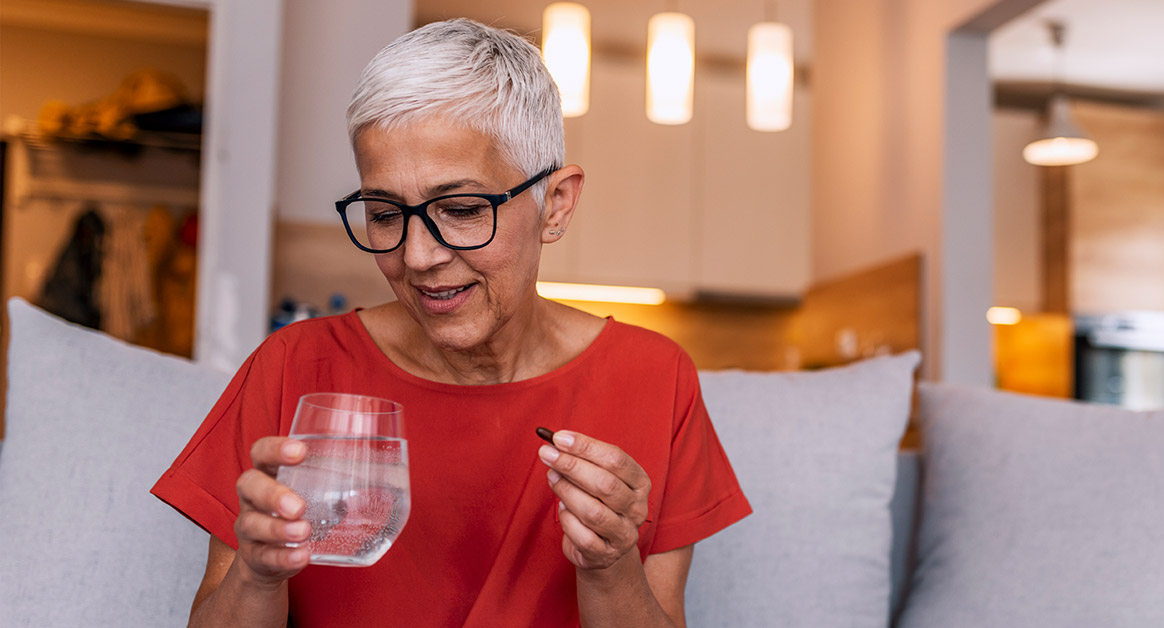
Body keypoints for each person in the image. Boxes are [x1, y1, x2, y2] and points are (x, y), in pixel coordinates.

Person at [152, 18, 751, 628]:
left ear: (556, 205)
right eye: (385, 214)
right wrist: (256, 577)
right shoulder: (293, 367)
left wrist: (611, 566)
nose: (417, 256)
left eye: (461, 209)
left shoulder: (655, 378)